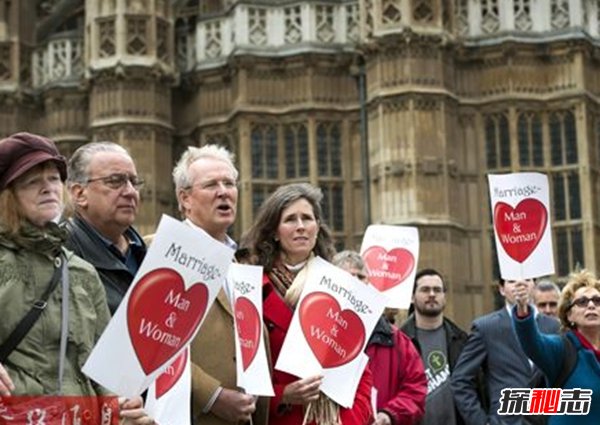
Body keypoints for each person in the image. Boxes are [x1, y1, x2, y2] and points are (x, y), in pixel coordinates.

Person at [0, 132, 150, 424]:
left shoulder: (81, 271)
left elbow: (104, 371)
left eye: (54, 179)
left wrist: (120, 408)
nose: (48, 188)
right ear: (8, 194)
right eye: (32, 181)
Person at [242, 183, 373, 425]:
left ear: (317, 228)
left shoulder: (342, 288)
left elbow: (359, 371)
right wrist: (283, 395)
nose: (301, 226)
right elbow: (241, 372)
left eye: (307, 218)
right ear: (274, 231)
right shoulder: (251, 288)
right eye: (290, 219)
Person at [172, 145, 265, 425]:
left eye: (229, 183)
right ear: (185, 199)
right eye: (212, 184)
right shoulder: (165, 250)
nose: (224, 191)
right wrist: (213, 396)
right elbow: (152, 344)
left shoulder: (241, 265)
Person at [333, 250, 426, 425]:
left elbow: (416, 388)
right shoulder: (316, 332)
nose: (356, 283)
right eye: (348, 276)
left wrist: (389, 414)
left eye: (360, 277)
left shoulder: (395, 339)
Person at [451, 277, 560, 425]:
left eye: (526, 280)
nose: (520, 285)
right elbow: (460, 380)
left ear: (534, 286)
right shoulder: (486, 328)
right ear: (502, 289)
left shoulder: (554, 327)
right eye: (512, 281)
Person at [65, 142, 147, 315]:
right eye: (115, 181)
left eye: (134, 182)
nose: (130, 191)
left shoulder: (151, 253)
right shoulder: (59, 255)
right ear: (79, 194)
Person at [512, 271, 599, 424]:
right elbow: (532, 342)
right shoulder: (561, 349)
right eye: (582, 302)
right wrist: (522, 310)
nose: (591, 305)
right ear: (569, 315)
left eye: (597, 301)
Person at [400, 268, 469, 425]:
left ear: (444, 297)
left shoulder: (462, 341)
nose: (432, 294)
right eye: (425, 289)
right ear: (411, 297)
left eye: (437, 290)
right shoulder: (399, 343)